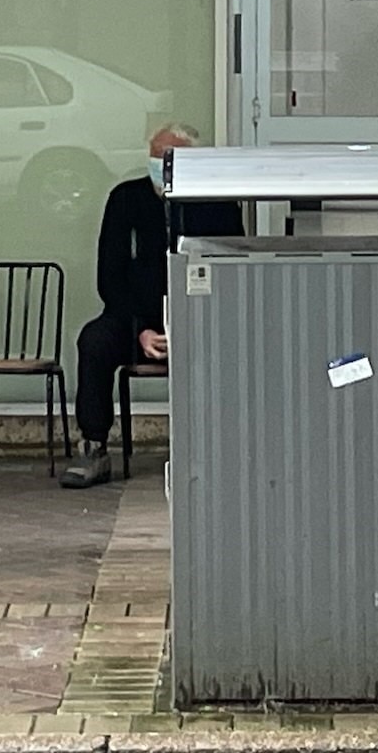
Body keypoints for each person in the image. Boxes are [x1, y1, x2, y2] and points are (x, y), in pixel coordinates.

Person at [61, 125, 243, 489]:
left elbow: (230, 271)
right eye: (155, 155)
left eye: (169, 156)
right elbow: (109, 276)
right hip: (135, 320)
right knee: (94, 341)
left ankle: (224, 449)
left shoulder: (218, 203)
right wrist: (141, 328)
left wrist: (190, 323)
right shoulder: (126, 198)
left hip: (198, 318)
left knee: (235, 349)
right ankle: (93, 446)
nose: (160, 164)